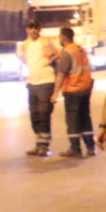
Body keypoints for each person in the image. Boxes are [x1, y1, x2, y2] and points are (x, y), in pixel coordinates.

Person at [17, 19, 58, 156]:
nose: (33, 30)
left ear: (40, 30)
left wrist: (48, 62)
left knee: (43, 113)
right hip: (32, 83)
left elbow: (59, 53)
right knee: (34, 115)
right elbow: (21, 57)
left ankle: (44, 146)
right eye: (31, 28)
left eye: (36, 28)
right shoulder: (25, 45)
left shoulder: (46, 41)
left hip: (46, 81)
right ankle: (38, 142)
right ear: (27, 30)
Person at [52, 27, 95, 157]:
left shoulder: (67, 52)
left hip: (73, 89)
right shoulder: (80, 48)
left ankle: (75, 149)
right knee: (85, 117)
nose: (59, 39)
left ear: (63, 37)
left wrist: (55, 93)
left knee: (72, 120)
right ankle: (90, 147)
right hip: (85, 88)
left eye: (59, 37)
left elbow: (61, 74)